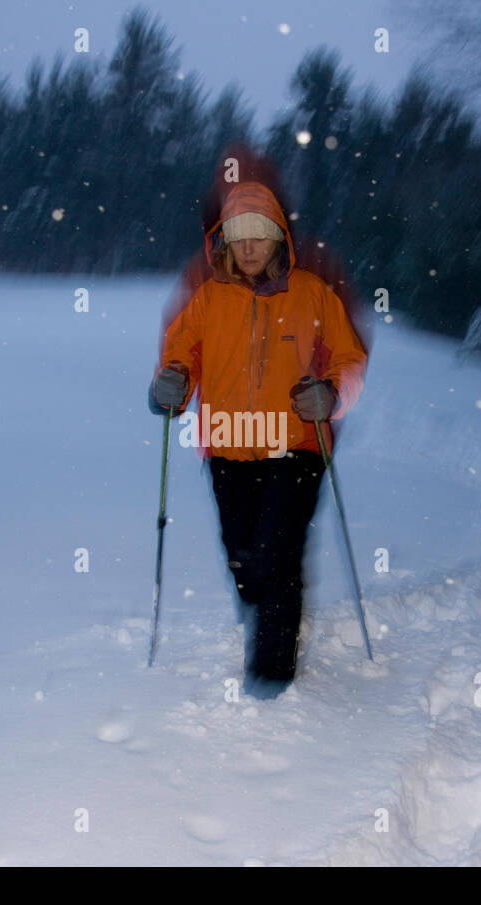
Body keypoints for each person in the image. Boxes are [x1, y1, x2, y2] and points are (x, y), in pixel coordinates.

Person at [149, 180, 368, 698]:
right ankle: (261, 600)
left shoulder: (312, 293)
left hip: (296, 445)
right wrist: (173, 382)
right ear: (223, 241)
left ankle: (271, 676)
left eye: (260, 236)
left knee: (278, 551)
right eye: (238, 237)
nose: (248, 248)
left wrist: (332, 394)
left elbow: (349, 358)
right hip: (227, 444)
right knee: (241, 553)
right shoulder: (208, 299)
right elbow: (181, 356)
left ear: (278, 241)